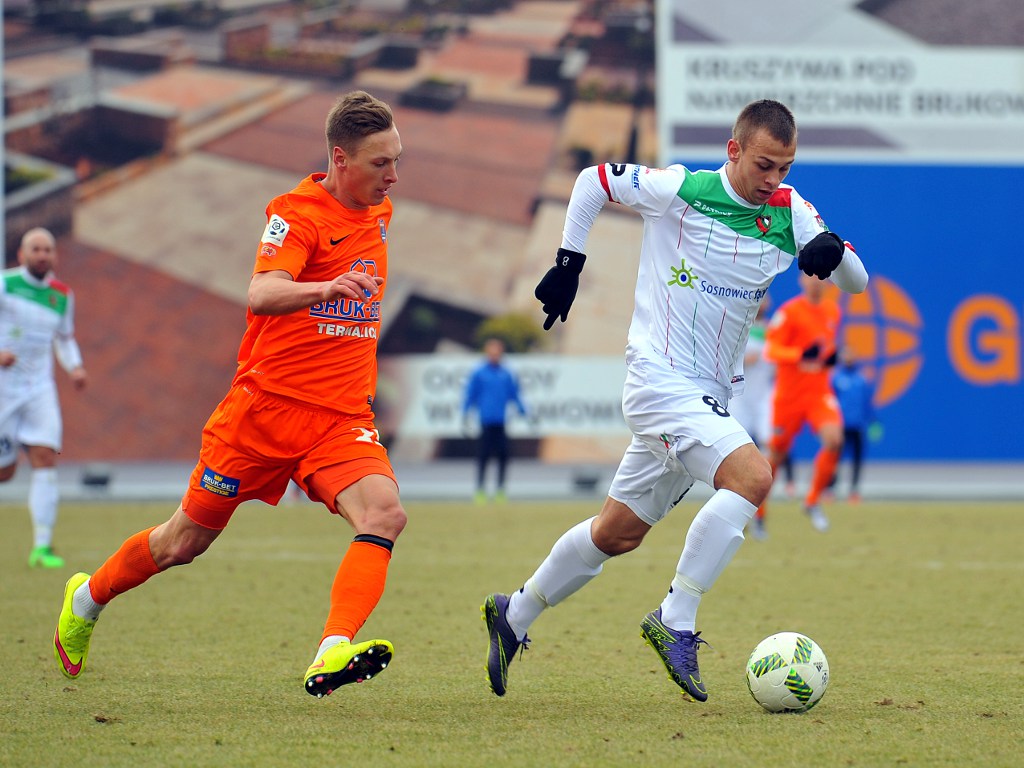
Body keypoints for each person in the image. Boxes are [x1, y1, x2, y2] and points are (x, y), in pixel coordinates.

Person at [480, 99, 868, 701]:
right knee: (753, 477)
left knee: (616, 534)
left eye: (785, 168)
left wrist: (833, 253)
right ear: (734, 150)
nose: (774, 179)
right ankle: (675, 618)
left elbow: (857, 282)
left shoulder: (791, 209)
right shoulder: (682, 189)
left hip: (709, 398)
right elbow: (592, 181)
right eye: (764, 165)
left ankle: (515, 613)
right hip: (659, 381)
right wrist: (569, 263)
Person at [52, 90, 407, 699]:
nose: (393, 175)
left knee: (384, 514)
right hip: (261, 415)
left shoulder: (379, 210)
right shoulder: (296, 215)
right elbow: (262, 293)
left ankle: (331, 651)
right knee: (181, 543)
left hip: (339, 418)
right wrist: (325, 288)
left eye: (397, 160)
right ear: (339, 158)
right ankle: (85, 599)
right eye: (380, 163)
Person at [1, 227, 87, 569]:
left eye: (47, 249)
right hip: (4, 389)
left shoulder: (62, 294)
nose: (42, 255)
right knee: (5, 473)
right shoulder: (5, 284)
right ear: (21, 254)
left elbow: (64, 338)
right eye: (35, 249)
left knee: (45, 457)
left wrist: (75, 367)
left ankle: (42, 546)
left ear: (54, 256)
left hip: (40, 389)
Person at [754, 272, 845, 537]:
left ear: (828, 282)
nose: (816, 281)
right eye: (810, 276)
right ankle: (759, 513)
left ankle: (812, 500)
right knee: (776, 454)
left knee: (834, 439)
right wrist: (799, 354)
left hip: (818, 392)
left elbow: (825, 347)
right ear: (801, 280)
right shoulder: (789, 313)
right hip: (789, 396)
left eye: (821, 277)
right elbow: (771, 350)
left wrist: (830, 358)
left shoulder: (832, 311)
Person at [462, 337, 528, 504]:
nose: (494, 355)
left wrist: (522, 410)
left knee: (503, 456)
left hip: (500, 421)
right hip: (485, 421)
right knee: (483, 457)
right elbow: (471, 394)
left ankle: (500, 489)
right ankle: (480, 489)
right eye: (492, 352)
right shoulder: (480, 373)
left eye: (497, 352)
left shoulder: (505, 374)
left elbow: (514, 394)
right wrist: (465, 412)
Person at [830, 347, 879, 503]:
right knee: (835, 459)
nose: (848, 358)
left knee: (857, 460)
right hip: (841, 425)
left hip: (858, 426)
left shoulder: (861, 379)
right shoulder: (836, 378)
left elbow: (867, 403)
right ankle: (831, 489)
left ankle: (854, 491)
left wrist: (873, 421)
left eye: (851, 355)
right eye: (846, 355)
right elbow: (829, 401)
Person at [727, 297, 773, 448]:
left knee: (770, 441)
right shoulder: (738, 327)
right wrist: (743, 361)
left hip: (764, 394)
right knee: (736, 443)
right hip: (740, 396)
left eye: (765, 299)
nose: (761, 303)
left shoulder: (772, 330)